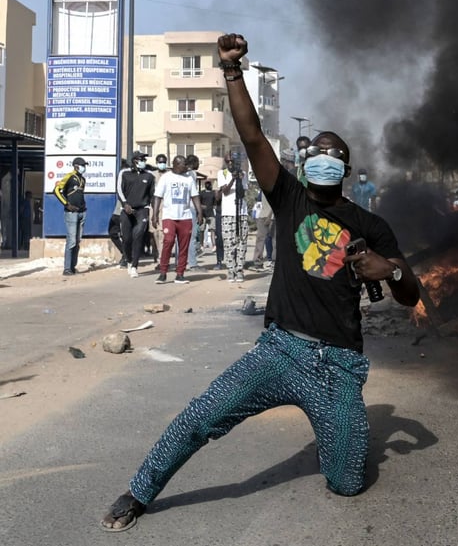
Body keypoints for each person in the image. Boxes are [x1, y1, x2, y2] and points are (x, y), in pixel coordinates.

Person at [100, 32, 421, 533]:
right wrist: (231, 70)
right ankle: (139, 492)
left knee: (348, 481)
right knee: (200, 417)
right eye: (316, 151)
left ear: (346, 169)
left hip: (337, 364)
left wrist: (392, 269)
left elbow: (410, 293)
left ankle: (334, 436)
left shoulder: (371, 226)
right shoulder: (289, 196)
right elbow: (251, 136)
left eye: (332, 154)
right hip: (279, 350)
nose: (322, 157)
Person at [152, 155, 204, 284]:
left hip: (185, 216)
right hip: (169, 216)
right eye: (184, 164)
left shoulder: (189, 179)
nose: (186, 167)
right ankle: (163, 272)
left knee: (184, 246)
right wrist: (154, 214)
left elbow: (195, 196)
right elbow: (157, 196)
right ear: (176, 164)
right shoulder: (166, 178)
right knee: (168, 241)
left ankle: (180, 274)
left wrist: (200, 212)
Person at [117, 151, 156, 278]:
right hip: (127, 209)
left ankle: (134, 265)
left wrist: (153, 210)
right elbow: (119, 189)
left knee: (138, 235)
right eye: (142, 159)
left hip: (142, 209)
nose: (144, 161)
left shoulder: (149, 176)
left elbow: (152, 195)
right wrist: (125, 204)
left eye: (145, 159)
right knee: (127, 238)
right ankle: (128, 260)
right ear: (135, 160)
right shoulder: (124, 173)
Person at [54, 157, 87, 276]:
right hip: (71, 213)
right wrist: (67, 204)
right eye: (83, 165)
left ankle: (73, 267)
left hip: (82, 212)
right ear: (76, 166)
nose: (85, 168)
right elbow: (57, 190)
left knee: (77, 241)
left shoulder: (83, 179)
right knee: (71, 241)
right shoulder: (69, 176)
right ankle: (67, 268)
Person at [217, 154, 249, 282]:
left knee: (242, 242)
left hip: (241, 212)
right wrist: (233, 179)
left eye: (233, 162)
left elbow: (242, 194)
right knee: (228, 243)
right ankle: (231, 270)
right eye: (228, 161)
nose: (230, 164)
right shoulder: (222, 173)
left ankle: (240, 270)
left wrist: (240, 179)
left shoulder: (243, 174)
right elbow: (224, 191)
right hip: (228, 213)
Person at [251, 192, 274, 268]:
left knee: (275, 240)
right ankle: (258, 262)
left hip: (272, 216)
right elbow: (259, 201)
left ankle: (274, 262)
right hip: (262, 215)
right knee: (260, 239)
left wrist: (269, 216)